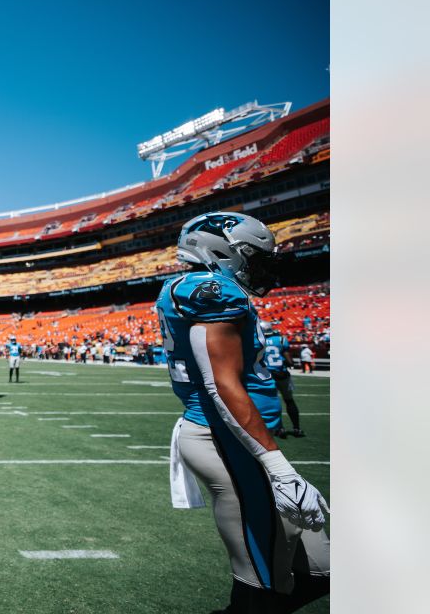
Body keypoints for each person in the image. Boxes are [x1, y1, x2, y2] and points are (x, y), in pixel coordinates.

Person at [157, 212, 329, 613]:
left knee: (321, 569)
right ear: (220, 250)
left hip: (239, 439)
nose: (259, 265)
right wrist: (279, 466)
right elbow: (223, 385)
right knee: (260, 581)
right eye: (252, 256)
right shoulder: (212, 290)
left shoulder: (194, 286)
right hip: (228, 441)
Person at [261, 322, 305, 438]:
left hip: (268, 375)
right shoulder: (281, 340)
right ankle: (296, 428)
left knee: (274, 401)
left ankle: (280, 428)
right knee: (289, 401)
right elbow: (290, 362)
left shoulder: (259, 341)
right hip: (282, 374)